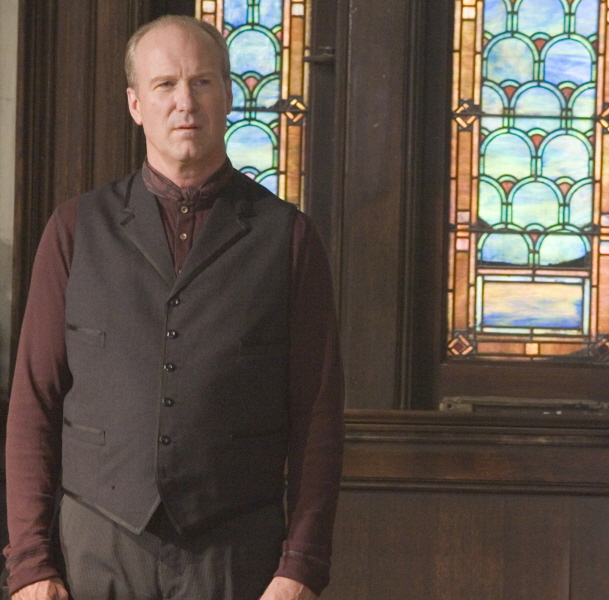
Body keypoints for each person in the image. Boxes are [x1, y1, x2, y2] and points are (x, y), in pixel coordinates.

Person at [4, 15, 344, 600]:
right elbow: (34, 401)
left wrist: (302, 567)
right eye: (165, 85)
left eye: (202, 82)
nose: (185, 102)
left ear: (228, 96)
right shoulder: (74, 230)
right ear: (135, 104)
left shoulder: (288, 237)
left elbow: (318, 415)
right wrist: (31, 563)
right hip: (94, 549)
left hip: (238, 554)